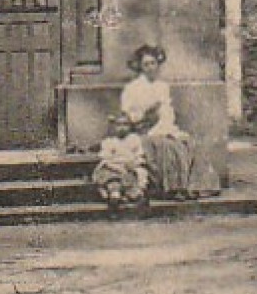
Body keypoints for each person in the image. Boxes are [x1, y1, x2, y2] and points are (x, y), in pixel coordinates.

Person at [119, 43, 221, 200]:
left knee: (185, 142)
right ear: (140, 66)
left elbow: (167, 112)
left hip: (164, 127)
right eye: (146, 64)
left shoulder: (162, 86)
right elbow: (130, 116)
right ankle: (173, 188)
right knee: (165, 147)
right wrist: (147, 113)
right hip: (144, 129)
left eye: (153, 63)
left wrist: (166, 125)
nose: (151, 67)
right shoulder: (132, 88)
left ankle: (194, 187)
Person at [92, 113, 149, 211]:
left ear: (130, 126)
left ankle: (136, 196)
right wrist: (117, 168)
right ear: (114, 127)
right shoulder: (109, 141)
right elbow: (106, 159)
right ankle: (115, 198)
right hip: (112, 168)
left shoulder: (134, 139)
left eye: (125, 125)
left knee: (136, 177)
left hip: (129, 167)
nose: (122, 128)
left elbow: (139, 155)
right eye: (119, 125)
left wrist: (135, 164)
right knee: (113, 182)